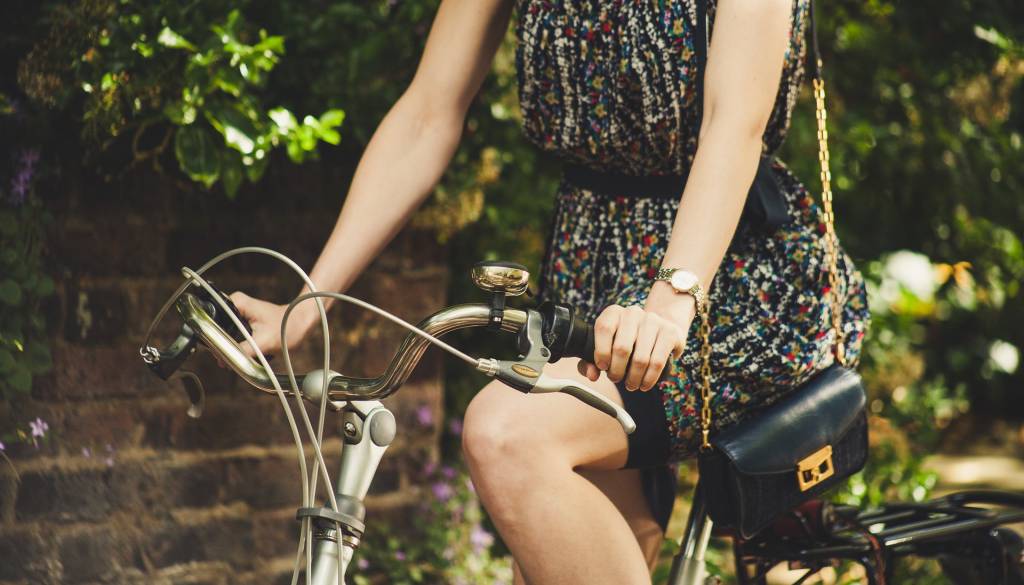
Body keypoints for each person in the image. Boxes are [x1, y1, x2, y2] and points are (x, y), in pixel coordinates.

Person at [230, 0, 870, 583]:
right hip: (589, 259)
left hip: (727, 269)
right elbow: (428, 113)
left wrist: (670, 303)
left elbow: (733, 130)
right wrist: (309, 303)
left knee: (507, 434)